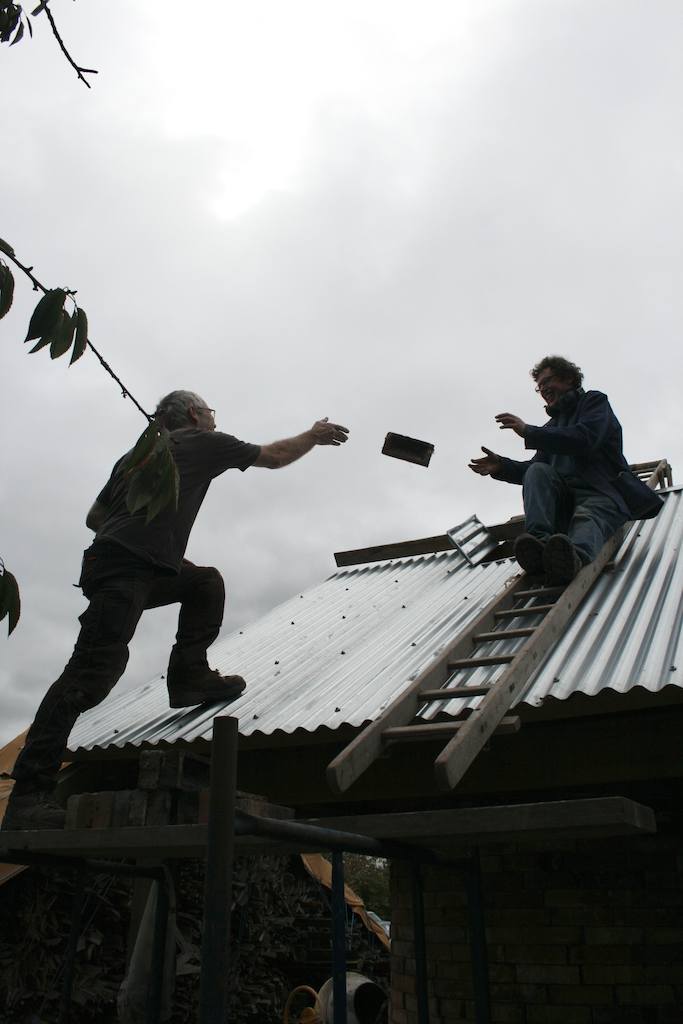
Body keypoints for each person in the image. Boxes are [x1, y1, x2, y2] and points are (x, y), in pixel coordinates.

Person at [4, 391, 349, 830]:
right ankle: (28, 798)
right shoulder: (204, 442)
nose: (211, 417)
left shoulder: (137, 456)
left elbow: (95, 517)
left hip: (125, 563)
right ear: (193, 414)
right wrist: (314, 435)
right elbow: (275, 456)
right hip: (126, 569)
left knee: (205, 582)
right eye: (209, 411)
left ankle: (188, 677)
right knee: (88, 675)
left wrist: (155, 546)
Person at [469, 356, 662, 584]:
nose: (543, 390)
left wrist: (529, 432)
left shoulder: (594, 402)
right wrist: (502, 466)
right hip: (566, 503)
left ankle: (573, 559)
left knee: (587, 517)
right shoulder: (550, 429)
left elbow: (584, 438)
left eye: (547, 381)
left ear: (568, 378)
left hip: (600, 494)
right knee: (538, 471)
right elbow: (532, 470)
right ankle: (538, 543)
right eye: (538, 387)